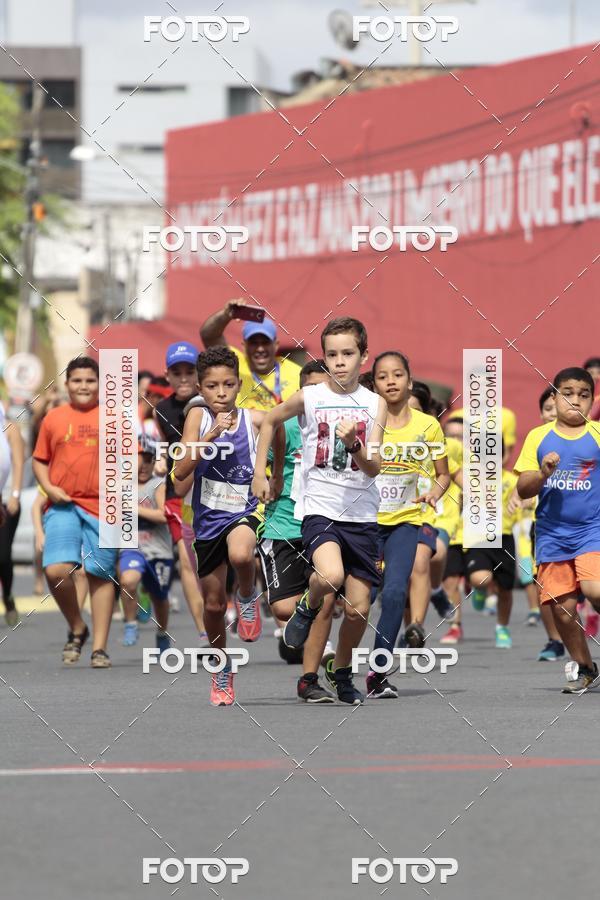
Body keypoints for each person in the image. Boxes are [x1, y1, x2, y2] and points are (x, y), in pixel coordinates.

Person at [253, 317, 387, 705]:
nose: (340, 362)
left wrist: (355, 444)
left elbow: (374, 466)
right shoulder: (310, 396)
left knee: (359, 609)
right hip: (320, 509)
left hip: (362, 515)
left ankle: (341, 673)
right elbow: (270, 420)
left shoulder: (374, 403)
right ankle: (308, 608)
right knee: (330, 576)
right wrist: (260, 473)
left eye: (348, 354)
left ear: (364, 355)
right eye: (332, 355)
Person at [173, 346, 284, 707]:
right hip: (207, 520)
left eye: (228, 384)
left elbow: (278, 426)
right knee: (213, 604)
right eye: (212, 386)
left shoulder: (253, 419)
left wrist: (273, 474)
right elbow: (180, 472)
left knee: (241, 554)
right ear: (200, 389)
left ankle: (248, 594)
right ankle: (221, 668)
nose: (221, 393)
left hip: (244, 511)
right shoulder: (198, 418)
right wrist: (209, 436)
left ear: (239, 384)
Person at [365, 352, 449, 697]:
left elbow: (443, 475)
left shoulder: (428, 426)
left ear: (409, 381)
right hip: (365, 523)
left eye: (398, 374)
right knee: (361, 599)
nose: (391, 381)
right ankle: (334, 665)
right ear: (374, 384)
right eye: (383, 376)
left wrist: (433, 493)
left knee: (395, 593)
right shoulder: (365, 420)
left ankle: (377, 672)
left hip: (405, 522)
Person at [515, 367, 600, 692]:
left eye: (583, 395)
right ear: (554, 397)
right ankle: (586, 667)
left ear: (592, 400)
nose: (575, 400)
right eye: (568, 393)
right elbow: (524, 487)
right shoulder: (538, 437)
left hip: (593, 529)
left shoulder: (597, 434)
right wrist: (543, 473)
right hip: (551, 534)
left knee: (595, 590)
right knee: (562, 610)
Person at [257, 358, 337, 702]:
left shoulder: (340, 425)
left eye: (323, 388)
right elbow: (261, 459)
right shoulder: (286, 426)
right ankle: (307, 607)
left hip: (323, 522)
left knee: (327, 593)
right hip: (283, 524)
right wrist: (263, 477)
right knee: (283, 609)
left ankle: (310, 678)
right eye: (310, 389)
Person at [32, 356, 117, 668]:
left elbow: (132, 459)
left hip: (105, 508)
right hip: (63, 504)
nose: (84, 386)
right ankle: (78, 626)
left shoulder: (114, 418)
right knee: (55, 569)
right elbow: (39, 459)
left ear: (100, 384)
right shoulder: (53, 418)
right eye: (77, 380)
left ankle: (99, 648)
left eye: (90, 380)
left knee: (100, 574)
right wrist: (48, 486)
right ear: (67, 384)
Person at [154, 342, 206, 638]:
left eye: (190, 371)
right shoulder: (161, 410)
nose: (184, 378)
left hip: (216, 492)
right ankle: (203, 632)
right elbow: (166, 447)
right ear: (168, 376)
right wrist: (161, 461)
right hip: (179, 494)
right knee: (187, 561)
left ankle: (228, 603)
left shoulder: (211, 401)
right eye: (177, 372)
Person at [464, 442, 520, 649]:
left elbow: (525, 495)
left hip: (504, 537)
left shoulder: (510, 479)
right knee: (480, 578)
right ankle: (480, 589)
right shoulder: (469, 479)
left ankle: (502, 627)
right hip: (477, 537)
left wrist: (523, 500)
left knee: (505, 589)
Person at [199, 299, 301, 410]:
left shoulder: (297, 373)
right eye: (254, 343)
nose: (260, 349)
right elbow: (209, 336)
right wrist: (226, 315)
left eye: (265, 342)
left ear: (276, 345)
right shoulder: (233, 364)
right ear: (244, 346)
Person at [119, 444, 173, 650]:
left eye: (148, 461)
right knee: (128, 581)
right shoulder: (122, 486)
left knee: (160, 596)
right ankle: (130, 624)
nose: (143, 466)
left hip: (159, 550)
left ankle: (162, 633)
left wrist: (134, 509)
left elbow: (163, 515)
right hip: (132, 548)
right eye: (138, 461)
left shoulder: (158, 485)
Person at [0, 401, 25, 625]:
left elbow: (18, 463)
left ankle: (7, 595)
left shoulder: (10, 428)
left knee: (3, 556)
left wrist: (15, 495)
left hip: (8, 501)